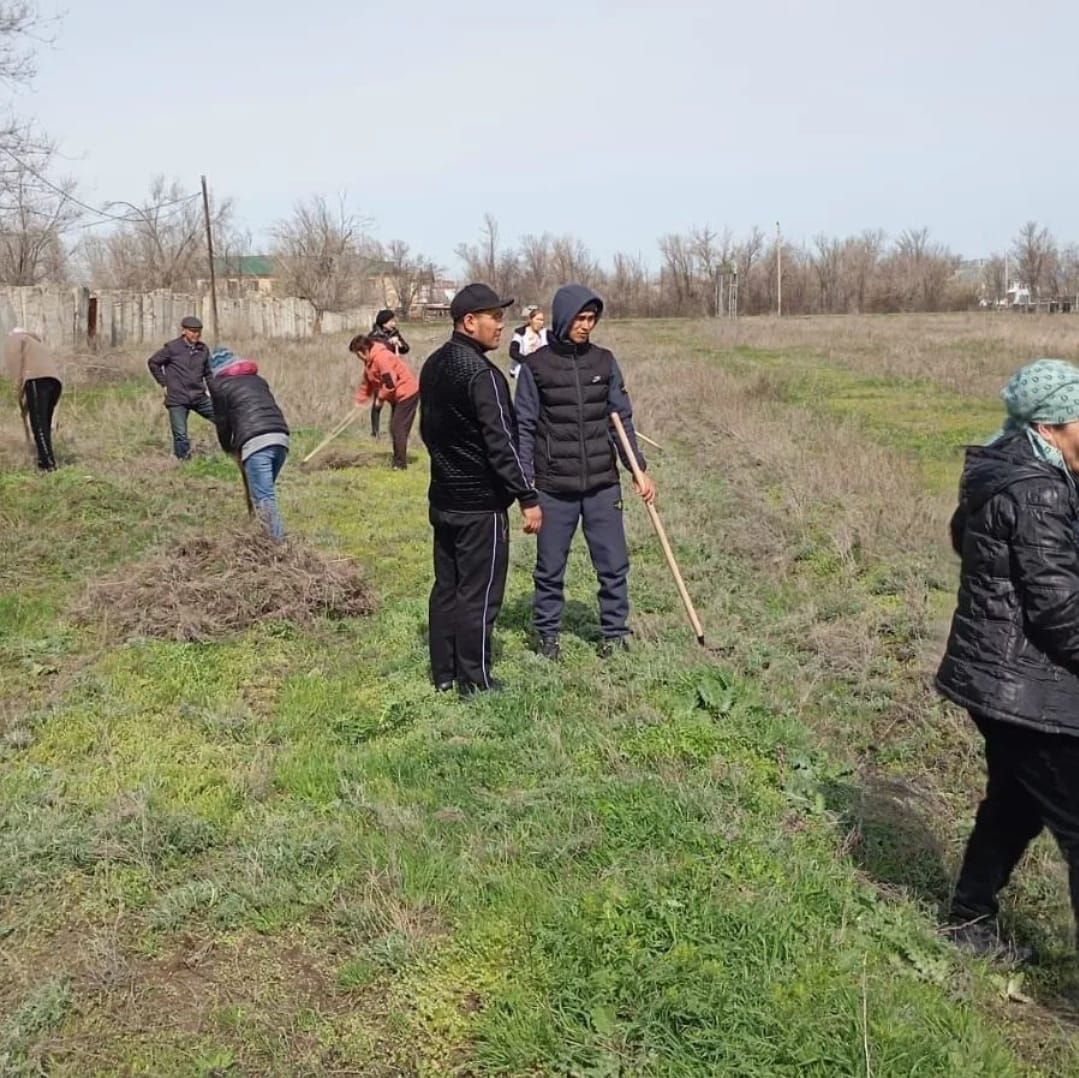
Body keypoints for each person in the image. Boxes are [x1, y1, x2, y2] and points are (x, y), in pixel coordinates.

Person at [937, 358, 1079, 962]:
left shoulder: (1015, 468)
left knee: (1016, 803)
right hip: (1021, 685)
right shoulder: (1036, 489)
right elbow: (1058, 608)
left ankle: (968, 919)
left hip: (1001, 676)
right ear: (1050, 426)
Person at [516, 283, 655, 660]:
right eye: (580, 318)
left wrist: (637, 469)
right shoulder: (535, 367)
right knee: (550, 568)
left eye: (592, 319)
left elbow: (621, 420)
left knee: (613, 564)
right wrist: (527, 486)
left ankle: (614, 633)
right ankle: (547, 635)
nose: (586, 326)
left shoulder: (604, 362)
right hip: (554, 486)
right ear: (563, 319)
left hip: (601, 484)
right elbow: (524, 428)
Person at [419, 282, 542, 696]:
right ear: (469, 322)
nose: (501, 326)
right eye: (494, 317)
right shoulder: (483, 375)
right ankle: (476, 681)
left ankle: (444, 673)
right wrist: (527, 496)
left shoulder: (433, 364)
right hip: (479, 507)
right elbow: (501, 443)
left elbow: (428, 432)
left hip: (443, 500)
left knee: (448, 587)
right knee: (479, 593)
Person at [207, 347, 290, 541]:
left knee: (264, 498)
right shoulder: (258, 380)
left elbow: (223, 422)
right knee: (261, 494)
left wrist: (228, 447)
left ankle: (278, 548)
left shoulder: (220, 387)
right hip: (280, 438)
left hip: (256, 443)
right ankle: (260, 535)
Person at [147, 315, 215, 460]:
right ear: (184, 331)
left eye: (198, 331)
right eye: (192, 331)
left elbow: (208, 373)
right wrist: (164, 383)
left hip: (199, 396)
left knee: (224, 419)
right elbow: (153, 362)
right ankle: (184, 463)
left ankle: (233, 450)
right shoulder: (172, 348)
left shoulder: (203, 349)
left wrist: (214, 391)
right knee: (180, 434)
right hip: (177, 398)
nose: (196, 334)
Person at [349, 333, 420, 470]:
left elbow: (390, 383)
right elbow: (367, 383)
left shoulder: (382, 358)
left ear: (363, 351)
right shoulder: (369, 361)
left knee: (397, 427)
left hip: (407, 392)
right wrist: (360, 400)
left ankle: (400, 465)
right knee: (395, 428)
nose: (357, 358)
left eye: (357, 354)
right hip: (396, 395)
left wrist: (380, 399)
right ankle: (398, 458)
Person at [4, 327, 62, 471]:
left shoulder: (15, 339)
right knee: (44, 424)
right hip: (54, 382)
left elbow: (15, 362)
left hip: (36, 379)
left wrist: (17, 387)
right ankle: (43, 461)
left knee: (38, 425)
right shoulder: (35, 342)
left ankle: (49, 465)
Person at [368, 309, 410, 439]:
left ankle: (395, 431)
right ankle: (375, 432)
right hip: (380, 373)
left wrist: (399, 343)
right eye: (391, 320)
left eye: (394, 320)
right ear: (383, 323)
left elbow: (406, 349)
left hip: (394, 372)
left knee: (396, 402)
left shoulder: (395, 333)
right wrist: (388, 343)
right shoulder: (373, 336)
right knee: (378, 402)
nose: (394, 323)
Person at [508, 305, 547, 379]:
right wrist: (527, 360)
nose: (540, 322)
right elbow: (513, 352)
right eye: (537, 319)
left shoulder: (545, 333)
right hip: (522, 370)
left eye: (542, 320)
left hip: (540, 371)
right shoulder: (520, 333)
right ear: (531, 320)